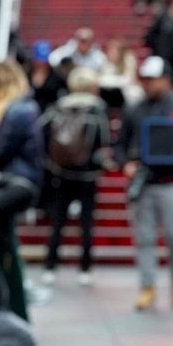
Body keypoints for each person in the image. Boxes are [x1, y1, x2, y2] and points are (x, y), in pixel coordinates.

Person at [116, 56, 173, 312]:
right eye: (145, 79)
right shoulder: (135, 109)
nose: (148, 85)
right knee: (144, 237)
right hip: (143, 183)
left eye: (153, 79)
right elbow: (120, 145)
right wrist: (125, 163)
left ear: (166, 80)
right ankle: (147, 286)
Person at [39, 68, 110, 286]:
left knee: (58, 221)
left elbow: (40, 129)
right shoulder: (96, 110)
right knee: (86, 222)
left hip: (61, 172)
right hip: (87, 174)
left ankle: (50, 266)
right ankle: (85, 268)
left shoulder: (59, 106)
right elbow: (103, 139)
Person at [0, 61, 43, 321]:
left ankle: (6, 308)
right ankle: (13, 311)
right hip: (10, 184)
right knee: (3, 244)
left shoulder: (18, 110)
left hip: (17, 185)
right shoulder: (16, 109)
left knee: (4, 246)